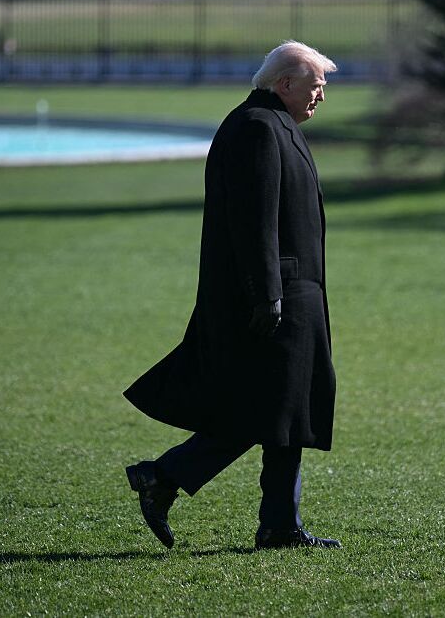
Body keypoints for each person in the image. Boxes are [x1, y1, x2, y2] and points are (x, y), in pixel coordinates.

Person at [122, 41, 340, 550]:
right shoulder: (257, 128)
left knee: (288, 413)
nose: (321, 98)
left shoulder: (274, 124)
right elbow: (254, 222)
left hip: (295, 293)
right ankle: (164, 477)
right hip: (274, 296)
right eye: (315, 86)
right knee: (267, 410)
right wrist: (267, 296)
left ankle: (279, 524)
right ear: (284, 83)